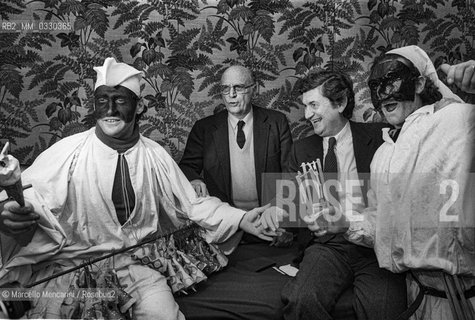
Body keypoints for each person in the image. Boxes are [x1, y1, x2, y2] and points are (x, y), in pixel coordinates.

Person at [0, 57, 273, 320]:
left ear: (139, 106)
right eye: (102, 101)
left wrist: (241, 218)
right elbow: (33, 201)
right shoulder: (67, 153)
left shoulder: (155, 155)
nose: (109, 110)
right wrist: (12, 214)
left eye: (120, 100)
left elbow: (191, 204)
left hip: (136, 266)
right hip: (73, 270)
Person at [310, 46, 475, 319]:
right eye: (375, 85)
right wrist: (346, 223)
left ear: (420, 82)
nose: (383, 93)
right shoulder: (384, 154)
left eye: (392, 80)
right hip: (417, 298)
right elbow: (383, 225)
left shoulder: (458, 120)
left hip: (464, 299)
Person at [270, 70, 407, 320]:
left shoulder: (380, 138)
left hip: (373, 247)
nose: (307, 114)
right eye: (305, 106)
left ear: (341, 103)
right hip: (328, 248)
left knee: (385, 308)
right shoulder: (301, 150)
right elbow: (288, 205)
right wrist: (280, 213)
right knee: (301, 301)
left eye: (313, 105)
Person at [179, 65, 292, 212]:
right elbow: (187, 167)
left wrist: (278, 210)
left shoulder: (277, 122)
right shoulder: (204, 128)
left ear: (254, 89)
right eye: (225, 88)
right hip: (225, 218)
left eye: (238, 88)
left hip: (268, 214)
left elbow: (290, 171)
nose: (231, 94)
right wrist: (195, 180)